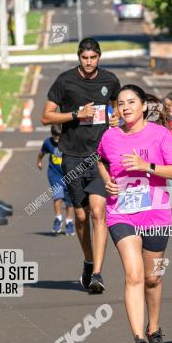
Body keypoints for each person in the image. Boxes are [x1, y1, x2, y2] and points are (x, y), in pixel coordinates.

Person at [97, 84, 172, 343]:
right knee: (133, 274)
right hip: (121, 213)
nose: (125, 107)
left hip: (156, 214)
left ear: (144, 106)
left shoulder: (160, 135)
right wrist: (107, 181)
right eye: (120, 103)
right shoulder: (110, 137)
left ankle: (154, 330)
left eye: (131, 102)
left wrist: (146, 166)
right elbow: (100, 160)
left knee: (152, 277)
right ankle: (138, 341)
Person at [42, 38, 120, 294]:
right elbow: (46, 116)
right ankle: (88, 261)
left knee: (99, 211)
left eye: (93, 58)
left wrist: (117, 120)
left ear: (99, 57)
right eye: (84, 58)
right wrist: (76, 115)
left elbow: (117, 109)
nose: (89, 63)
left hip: (100, 156)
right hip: (72, 155)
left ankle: (97, 273)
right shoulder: (65, 81)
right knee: (81, 216)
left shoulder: (110, 81)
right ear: (79, 58)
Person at [37, 125, 75, 235]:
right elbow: (42, 152)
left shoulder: (68, 141)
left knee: (69, 201)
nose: (57, 140)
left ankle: (69, 221)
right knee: (57, 196)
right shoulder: (48, 142)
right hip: (54, 174)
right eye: (55, 137)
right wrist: (39, 161)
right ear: (51, 134)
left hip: (69, 175)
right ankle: (58, 218)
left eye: (59, 137)